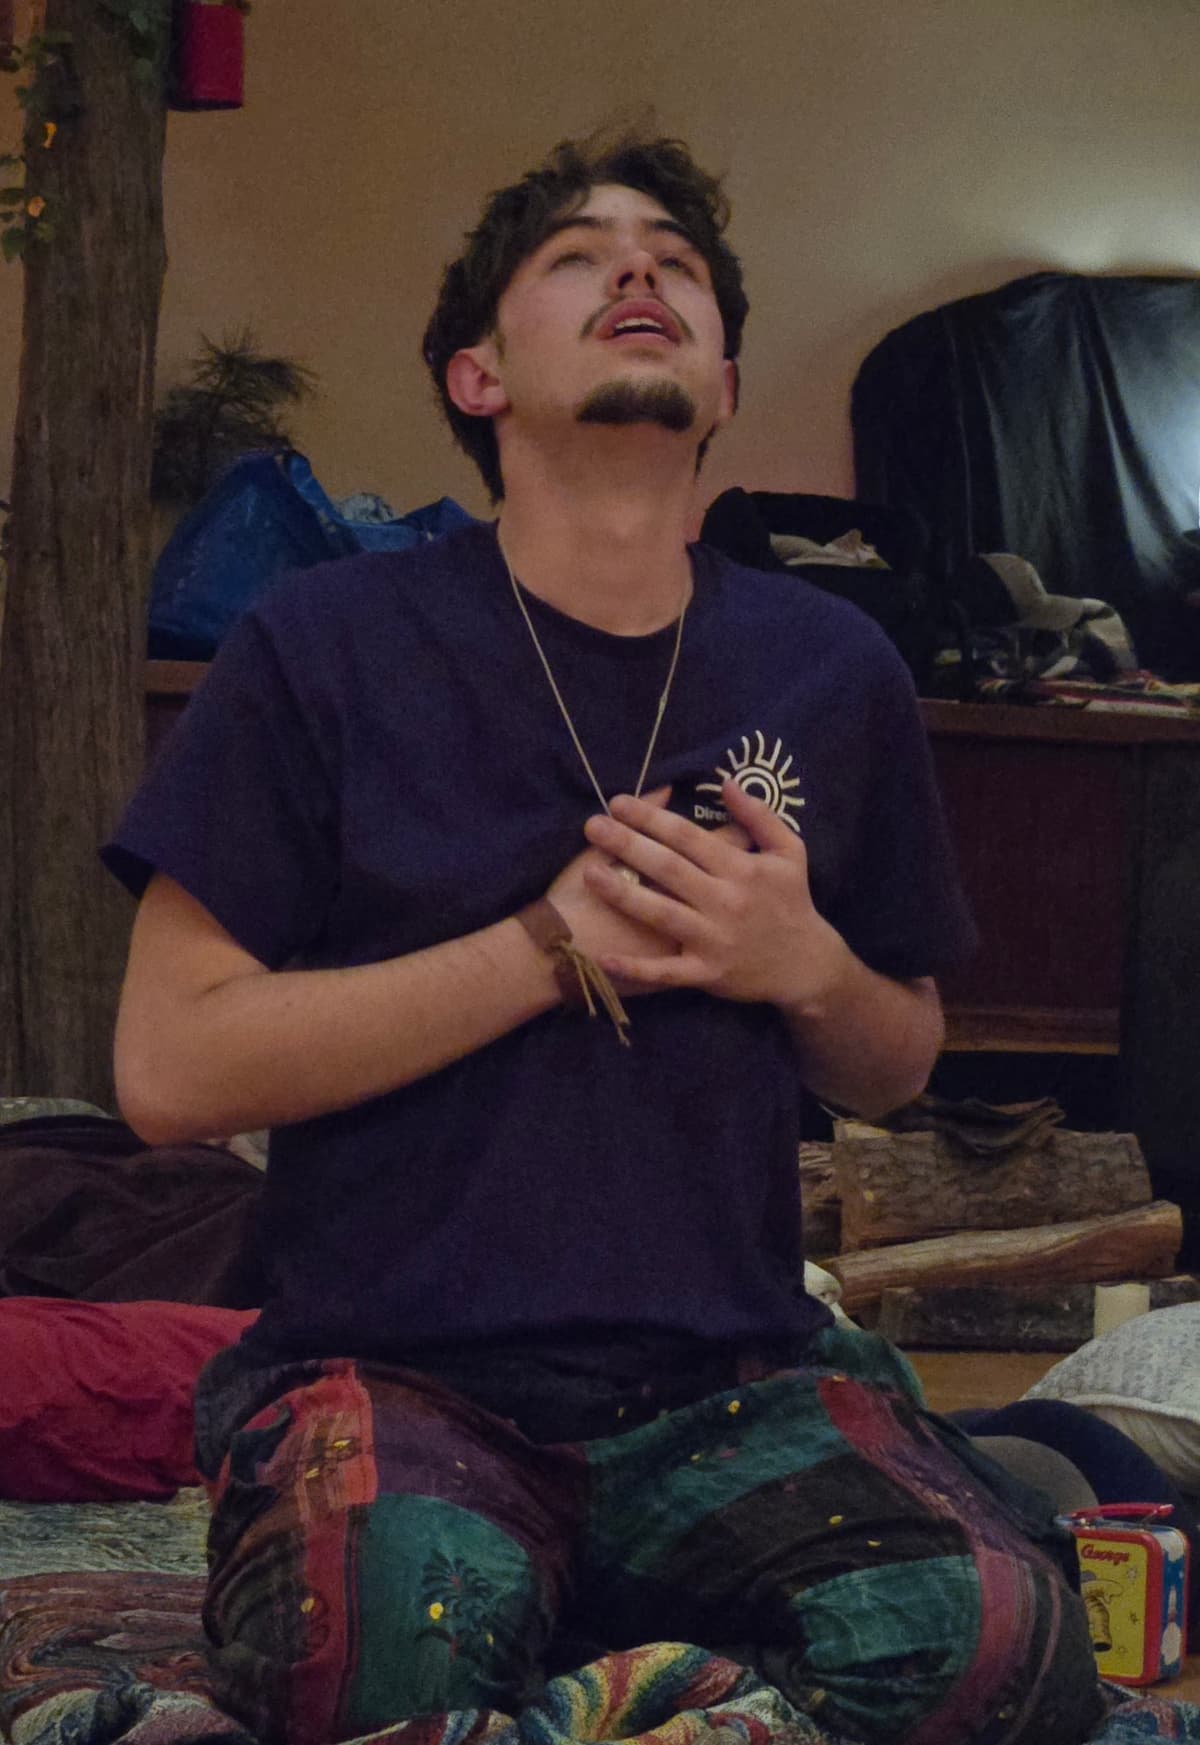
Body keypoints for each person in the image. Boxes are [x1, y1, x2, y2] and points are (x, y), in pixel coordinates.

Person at [105, 132, 1103, 1745]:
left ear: (720, 382)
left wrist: (807, 967)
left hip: (733, 1384)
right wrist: (544, 945)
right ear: (477, 375)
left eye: (679, 266)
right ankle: (633, 1672)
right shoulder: (322, 648)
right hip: (396, 1365)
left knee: (1001, 1649)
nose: (640, 271)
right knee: (379, 1656)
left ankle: (588, 1668)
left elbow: (901, 1050)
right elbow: (166, 1064)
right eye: (579, 254)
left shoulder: (832, 669)